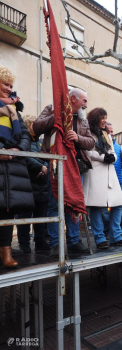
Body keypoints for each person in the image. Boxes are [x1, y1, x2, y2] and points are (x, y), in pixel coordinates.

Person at [30, 88, 94, 257]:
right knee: (54, 204)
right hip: (55, 164)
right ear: (73, 99)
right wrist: (57, 117)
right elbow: (36, 127)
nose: (86, 105)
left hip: (75, 166)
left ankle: (73, 242)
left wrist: (78, 138)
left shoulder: (83, 120)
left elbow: (91, 143)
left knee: (74, 204)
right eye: (84, 101)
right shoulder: (51, 108)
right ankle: (55, 243)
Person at [0, 65, 34, 268]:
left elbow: (24, 135)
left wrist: (18, 150)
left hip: (11, 169)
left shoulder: (14, 111)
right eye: (6, 84)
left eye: (11, 85)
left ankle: (6, 252)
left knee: (7, 210)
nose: (9, 88)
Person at [83, 108, 122, 249]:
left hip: (110, 174)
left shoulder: (106, 134)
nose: (104, 120)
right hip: (94, 173)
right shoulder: (88, 133)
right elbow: (87, 152)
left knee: (118, 203)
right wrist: (103, 157)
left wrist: (112, 157)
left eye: (105, 117)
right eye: (102, 117)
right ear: (95, 118)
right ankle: (100, 238)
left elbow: (114, 151)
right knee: (96, 207)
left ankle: (115, 235)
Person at [16, 115, 50, 254]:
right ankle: (24, 244)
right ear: (29, 124)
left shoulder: (41, 141)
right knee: (25, 215)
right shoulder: (24, 140)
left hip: (41, 184)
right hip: (27, 182)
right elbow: (25, 157)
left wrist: (45, 167)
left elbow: (46, 155)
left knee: (40, 215)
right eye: (35, 123)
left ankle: (40, 241)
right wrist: (40, 167)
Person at [106, 122, 122, 238]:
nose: (112, 133)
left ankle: (117, 232)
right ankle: (108, 232)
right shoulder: (102, 145)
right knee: (103, 209)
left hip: (118, 181)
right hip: (105, 181)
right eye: (109, 131)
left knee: (118, 207)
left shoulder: (118, 147)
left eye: (112, 131)